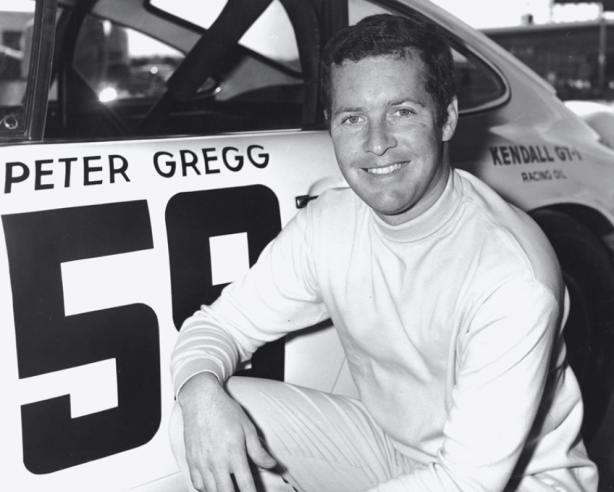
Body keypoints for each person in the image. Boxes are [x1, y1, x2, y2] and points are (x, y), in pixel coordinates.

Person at [169, 14, 598, 492]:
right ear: (331, 127)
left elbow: (467, 482)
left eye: (402, 111)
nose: (376, 143)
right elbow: (217, 326)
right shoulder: (328, 224)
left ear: (447, 118)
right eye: (353, 118)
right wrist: (199, 390)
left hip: (513, 482)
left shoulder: (510, 273)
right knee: (204, 415)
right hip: (396, 455)